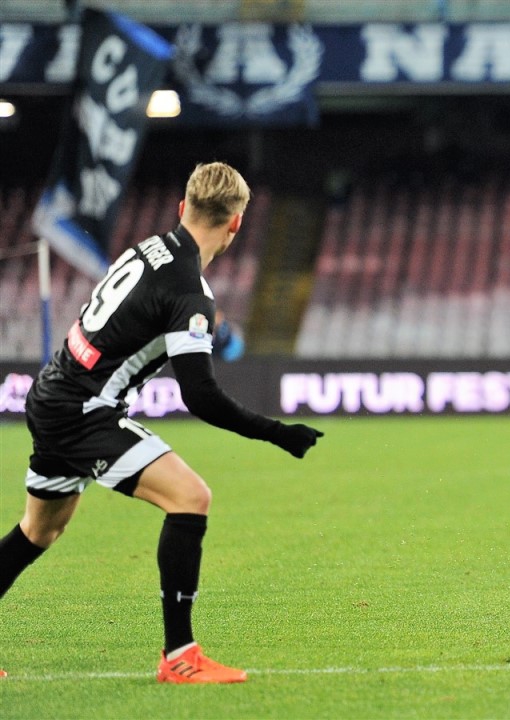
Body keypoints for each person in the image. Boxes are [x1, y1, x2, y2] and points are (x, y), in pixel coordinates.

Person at [0, 162, 324, 681]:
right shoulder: (190, 292)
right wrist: (277, 432)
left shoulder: (148, 249)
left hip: (54, 393)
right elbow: (200, 395)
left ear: (182, 208)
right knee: (190, 497)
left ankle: (180, 656)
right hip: (83, 410)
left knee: (39, 530)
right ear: (236, 223)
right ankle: (180, 657)